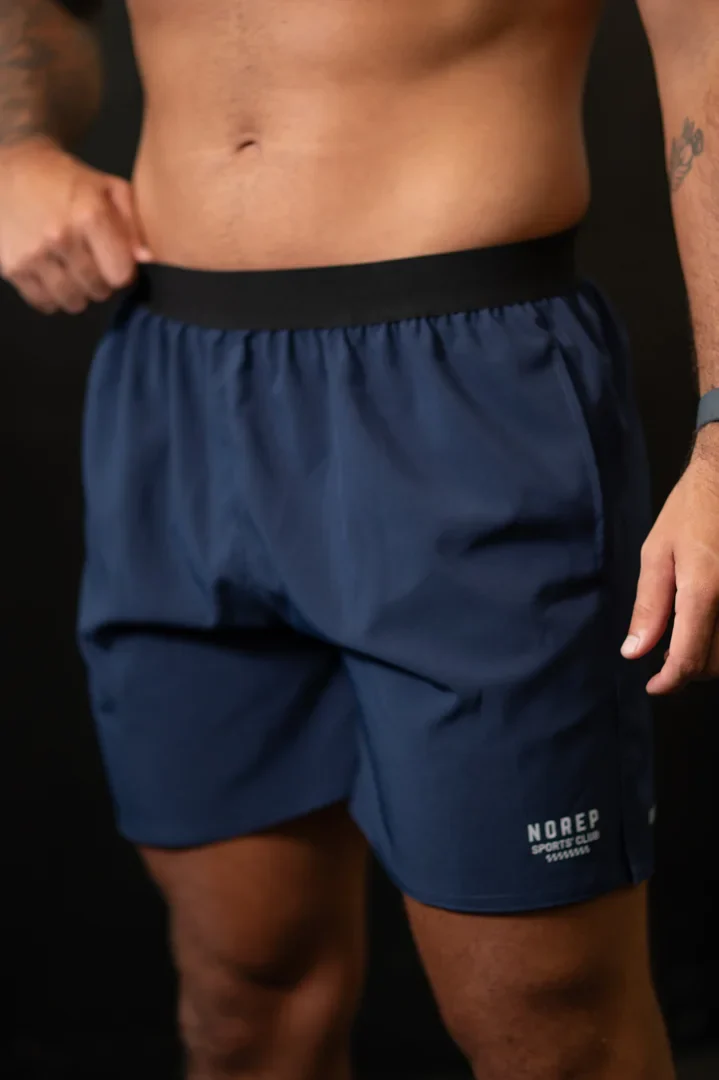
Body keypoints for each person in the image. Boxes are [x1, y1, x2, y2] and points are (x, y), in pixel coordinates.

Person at [2, 1, 717, 1077]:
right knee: (244, 995)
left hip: (462, 394)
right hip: (175, 386)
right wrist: (13, 142)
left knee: (549, 1023)